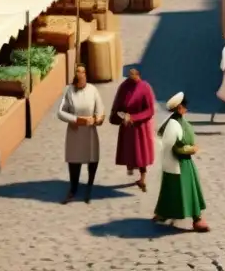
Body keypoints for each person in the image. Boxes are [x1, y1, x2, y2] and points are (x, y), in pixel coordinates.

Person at [154, 93, 208, 232]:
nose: (186, 109)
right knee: (187, 188)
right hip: (180, 162)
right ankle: (197, 218)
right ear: (179, 108)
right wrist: (191, 149)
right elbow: (176, 147)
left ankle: (163, 213)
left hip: (173, 162)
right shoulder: (174, 124)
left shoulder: (172, 122)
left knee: (170, 188)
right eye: (184, 107)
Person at [57, 64, 105, 203]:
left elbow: (100, 110)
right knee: (74, 161)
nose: (80, 74)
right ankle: (73, 188)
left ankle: (90, 185)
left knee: (92, 159)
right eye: (78, 72)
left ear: (86, 75)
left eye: (83, 72)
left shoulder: (93, 90)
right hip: (75, 131)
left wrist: (98, 119)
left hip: (89, 132)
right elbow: (60, 112)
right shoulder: (69, 91)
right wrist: (76, 120)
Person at [110, 67, 156, 191]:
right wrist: (122, 116)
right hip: (127, 126)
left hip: (141, 127)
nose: (132, 75)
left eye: (134, 73)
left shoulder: (145, 88)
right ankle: (130, 166)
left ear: (139, 74)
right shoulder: (124, 87)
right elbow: (117, 106)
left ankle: (142, 178)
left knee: (141, 154)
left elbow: (150, 110)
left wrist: (134, 117)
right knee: (129, 150)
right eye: (130, 74)